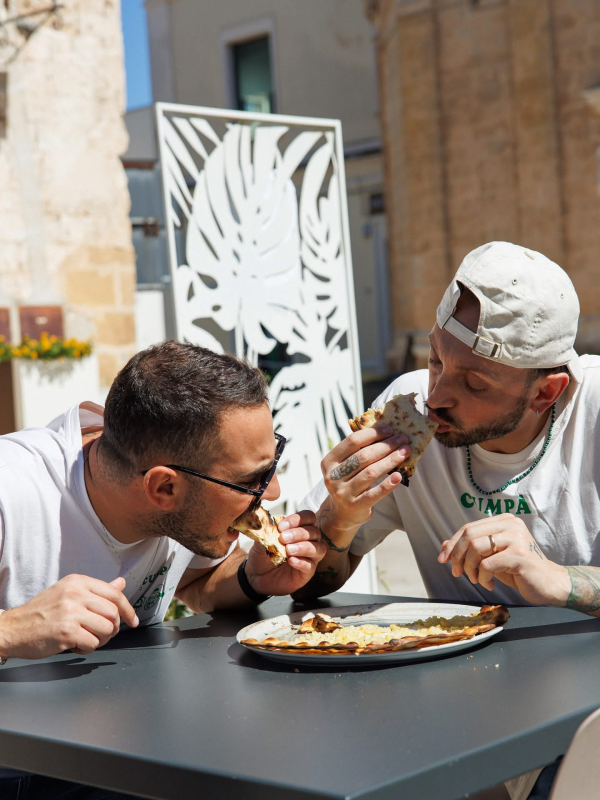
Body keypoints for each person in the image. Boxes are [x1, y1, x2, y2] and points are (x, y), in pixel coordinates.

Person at [298, 241, 600, 800]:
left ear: (546, 392)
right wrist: (338, 521)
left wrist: (560, 579)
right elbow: (314, 583)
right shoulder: (407, 407)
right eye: (436, 359)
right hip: (463, 714)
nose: (436, 396)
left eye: (474, 384)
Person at [0, 340, 325, 799]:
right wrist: (12, 629)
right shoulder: (11, 491)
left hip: (131, 752)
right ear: (163, 487)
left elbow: (196, 582)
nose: (272, 494)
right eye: (252, 480)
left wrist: (251, 579)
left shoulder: (183, 511)